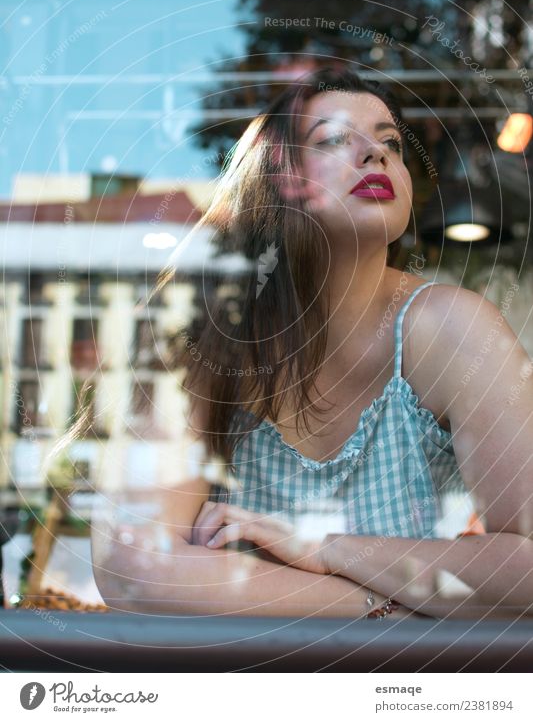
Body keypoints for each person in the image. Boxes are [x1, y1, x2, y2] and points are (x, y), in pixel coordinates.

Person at [92, 65, 533, 621]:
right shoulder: (208, 344)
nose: (376, 154)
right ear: (275, 183)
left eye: (390, 142)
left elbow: (527, 566)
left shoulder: (450, 330)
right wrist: (382, 604)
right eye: (333, 140)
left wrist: (327, 548)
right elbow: (131, 570)